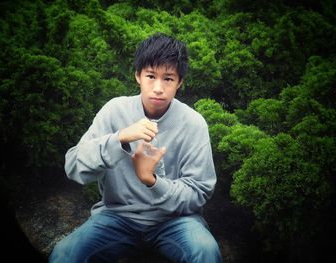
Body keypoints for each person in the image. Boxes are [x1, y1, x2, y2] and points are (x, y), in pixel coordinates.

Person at [49, 33, 222, 263]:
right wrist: (119, 139)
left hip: (176, 222)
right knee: (65, 254)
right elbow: (73, 166)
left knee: (205, 251)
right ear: (138, 76)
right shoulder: (114, 110)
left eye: (168, 78)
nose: (158, 88)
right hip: (116, 218)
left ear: (180, 82)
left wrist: (151, 181)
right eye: (151, 76)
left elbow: (198, 192)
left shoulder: (194, 123)